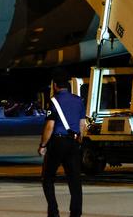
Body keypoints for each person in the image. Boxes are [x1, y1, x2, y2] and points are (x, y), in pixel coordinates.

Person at [39, 71, 88, 217]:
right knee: (75, 180)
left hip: (57, 141)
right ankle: (76, 213)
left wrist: (43, 145)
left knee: (48, 178)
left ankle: (53, 212)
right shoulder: (79, 100)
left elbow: (49, 126)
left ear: (55, 86)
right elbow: (82, 124)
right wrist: (79, 140)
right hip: (73, 142)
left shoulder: (53, 101)